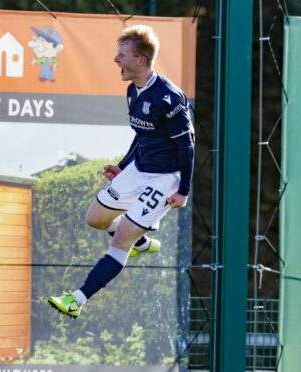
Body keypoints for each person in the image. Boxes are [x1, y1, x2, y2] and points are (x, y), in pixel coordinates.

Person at [48, 24, 194, 318]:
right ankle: (141, 241)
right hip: (138, 169)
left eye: (122, 55)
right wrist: (123, 166)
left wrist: (183, 191)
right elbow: (142, 135)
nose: (116, 59)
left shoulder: (170, 98)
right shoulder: (132, 90)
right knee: (95, 219)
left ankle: (77, 299)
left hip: (166, 179)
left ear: (141, 60)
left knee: (120, 238)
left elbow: (188, 146)